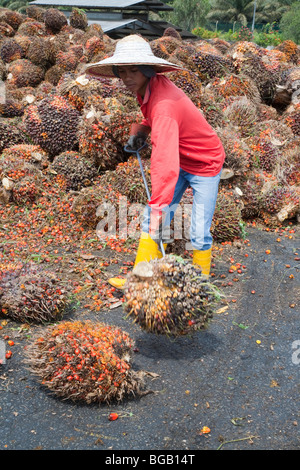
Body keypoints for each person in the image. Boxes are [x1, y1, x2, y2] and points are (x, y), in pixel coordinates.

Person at [85, 34, 225, 289]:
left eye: (134, 70)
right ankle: (140, 279)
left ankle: (199, 286)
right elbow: (154, 121)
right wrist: (140, 131)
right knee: (153, 219)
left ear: (148, 69)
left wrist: (160, 206)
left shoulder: (164, 105)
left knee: (198, 231)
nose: (127, 77)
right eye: (122, 71)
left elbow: (164, 161)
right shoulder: (148, 88)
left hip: (205, 163)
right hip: (182, 156)